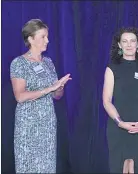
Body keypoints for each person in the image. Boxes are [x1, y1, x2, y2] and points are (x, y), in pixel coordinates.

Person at [10, 19, 72, 173]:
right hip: (28, 126)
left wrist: (59, 88)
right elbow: (20, 96)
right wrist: (49, 88)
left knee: (47, 167)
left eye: (47, 36)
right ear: (30, 39)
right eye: (43, 36)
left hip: (47, 125)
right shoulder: (19, 63)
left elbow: (56, 96)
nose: (48, 40)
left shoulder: (48, 62)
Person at [103, 27, 138, 173]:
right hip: (118, 126)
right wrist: (120, 123)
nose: (129, 44)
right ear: (119, 45)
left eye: (132, 41)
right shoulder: (112, 67)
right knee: (120, 167)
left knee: (137, 168)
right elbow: (106, 101)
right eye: (124, 41)